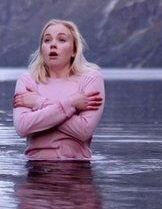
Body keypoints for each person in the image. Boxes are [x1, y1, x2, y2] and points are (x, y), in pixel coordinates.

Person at [12, 19, 105, 161]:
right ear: (41, 50)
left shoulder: (91, 78)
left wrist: (39, 102)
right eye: (47, 40)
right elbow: (22, 127)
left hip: (77, 167)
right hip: (35, 167)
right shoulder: (27, 80)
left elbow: (84, 131)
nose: (53, 45)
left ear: (74, 50)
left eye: (62, 40)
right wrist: (71, 103)